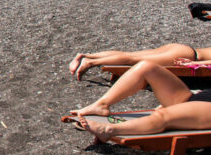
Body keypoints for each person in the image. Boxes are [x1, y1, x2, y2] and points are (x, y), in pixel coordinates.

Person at [71, 60, 211, 142]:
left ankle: (108, 130)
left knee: (163, 115)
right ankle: (101, 105)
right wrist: (198, 63)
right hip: (198, 97)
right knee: (146, 66)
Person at [68, 43, 211, 80]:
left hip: (183, 48)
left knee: (129, 55)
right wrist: (193, 64)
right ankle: (90, 63)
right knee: (132, 60)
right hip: (191, 56)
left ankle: (86, 56)